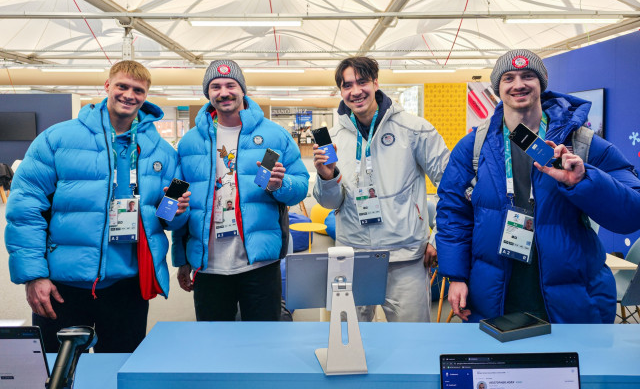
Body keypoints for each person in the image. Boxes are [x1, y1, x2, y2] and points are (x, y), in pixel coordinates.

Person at [436, 49, 640, 323]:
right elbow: (453, 213)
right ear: (498, 87)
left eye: (528, 76)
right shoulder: (474, 147)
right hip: (495, 296)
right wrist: (457, 276)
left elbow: (632, 212)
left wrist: (584, 181)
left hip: (573, 298)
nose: (518, 84)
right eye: (509, 77)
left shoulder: (583, 144)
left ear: (541, 82)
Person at [4, 61, 190, 353]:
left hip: (127, 285)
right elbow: (24, 210)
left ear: (146, 96)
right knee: (58, 370)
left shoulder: (163, 153)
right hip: (62, 285)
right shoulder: (57, 139)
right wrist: (34, 275)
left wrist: (176, 211)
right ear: (107, 86)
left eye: (138, 90)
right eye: (122, 86)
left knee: (118, 369)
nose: (129, 95)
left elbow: (168, 220)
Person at [313, 56, 449, 322]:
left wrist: (438, 237)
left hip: (406, 257)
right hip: (353, 256)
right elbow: (330, 203)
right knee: (350, 338)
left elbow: (452, 186)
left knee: (412, 339)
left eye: (362, 82)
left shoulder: (414, 129)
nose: (355, 91)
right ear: (340, 91)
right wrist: (327, 177)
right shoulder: (334, 138)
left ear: (376, 83)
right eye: (347, 85)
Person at [173, 59, 309, 322]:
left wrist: (280, 185)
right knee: (214, 340)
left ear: (242, 89)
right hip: (209, 267)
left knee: (263, 338)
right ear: (207, 92)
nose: (224, 92)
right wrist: (182, 260)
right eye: (215, 86)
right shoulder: (189, 142)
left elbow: (301, 185)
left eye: (230, 85)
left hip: (260, 264)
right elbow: (178, 203)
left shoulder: (274, 135)